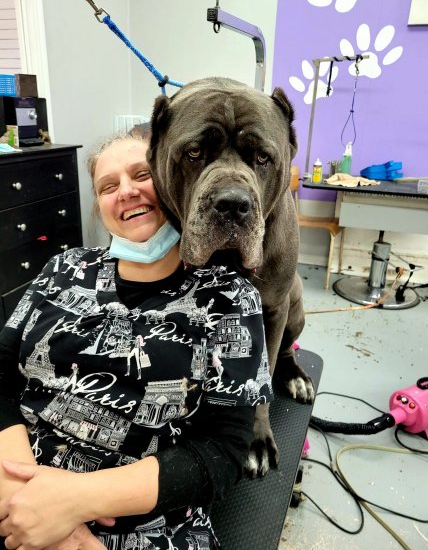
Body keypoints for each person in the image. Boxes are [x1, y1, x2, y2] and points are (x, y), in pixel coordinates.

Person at [0, 133, 273, 550]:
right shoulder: (63, 269)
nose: (125, 191)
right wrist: (18, 493)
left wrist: (73, 503)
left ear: (174, 182)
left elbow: (222, 453)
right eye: (108, 186)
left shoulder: (229, 299)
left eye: (142, 175)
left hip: (140, 524)